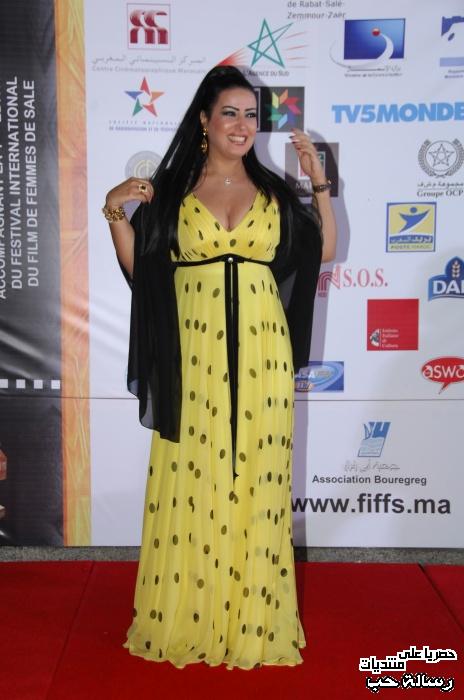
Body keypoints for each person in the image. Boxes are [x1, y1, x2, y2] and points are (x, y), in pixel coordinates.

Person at [103, 65, 336, 670]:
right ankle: (191, 614)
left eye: (251, 115)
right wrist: (114, 211)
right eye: (230, 113)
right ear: (204, 121)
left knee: (258, 478)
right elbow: (143, 271)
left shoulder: (275, 192)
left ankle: (252, 620)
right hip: (194, 352)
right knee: (195, 475)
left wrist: (318, 183)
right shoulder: (172, 192)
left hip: (263, 352)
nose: (242, 125)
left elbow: (325, 251)